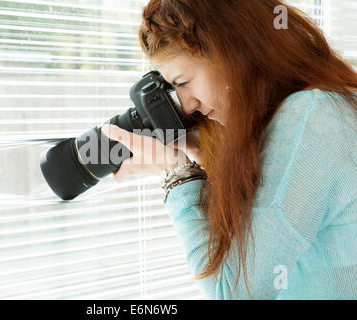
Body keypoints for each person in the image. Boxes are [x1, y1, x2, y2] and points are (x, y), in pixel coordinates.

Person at [101, 0, 357, 299]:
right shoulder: (324, 106)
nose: (187, 104)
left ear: (234, 52)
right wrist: (206, 158)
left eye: (183, 82)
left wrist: (178, 174)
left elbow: (234, 292)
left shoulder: (312, 117)